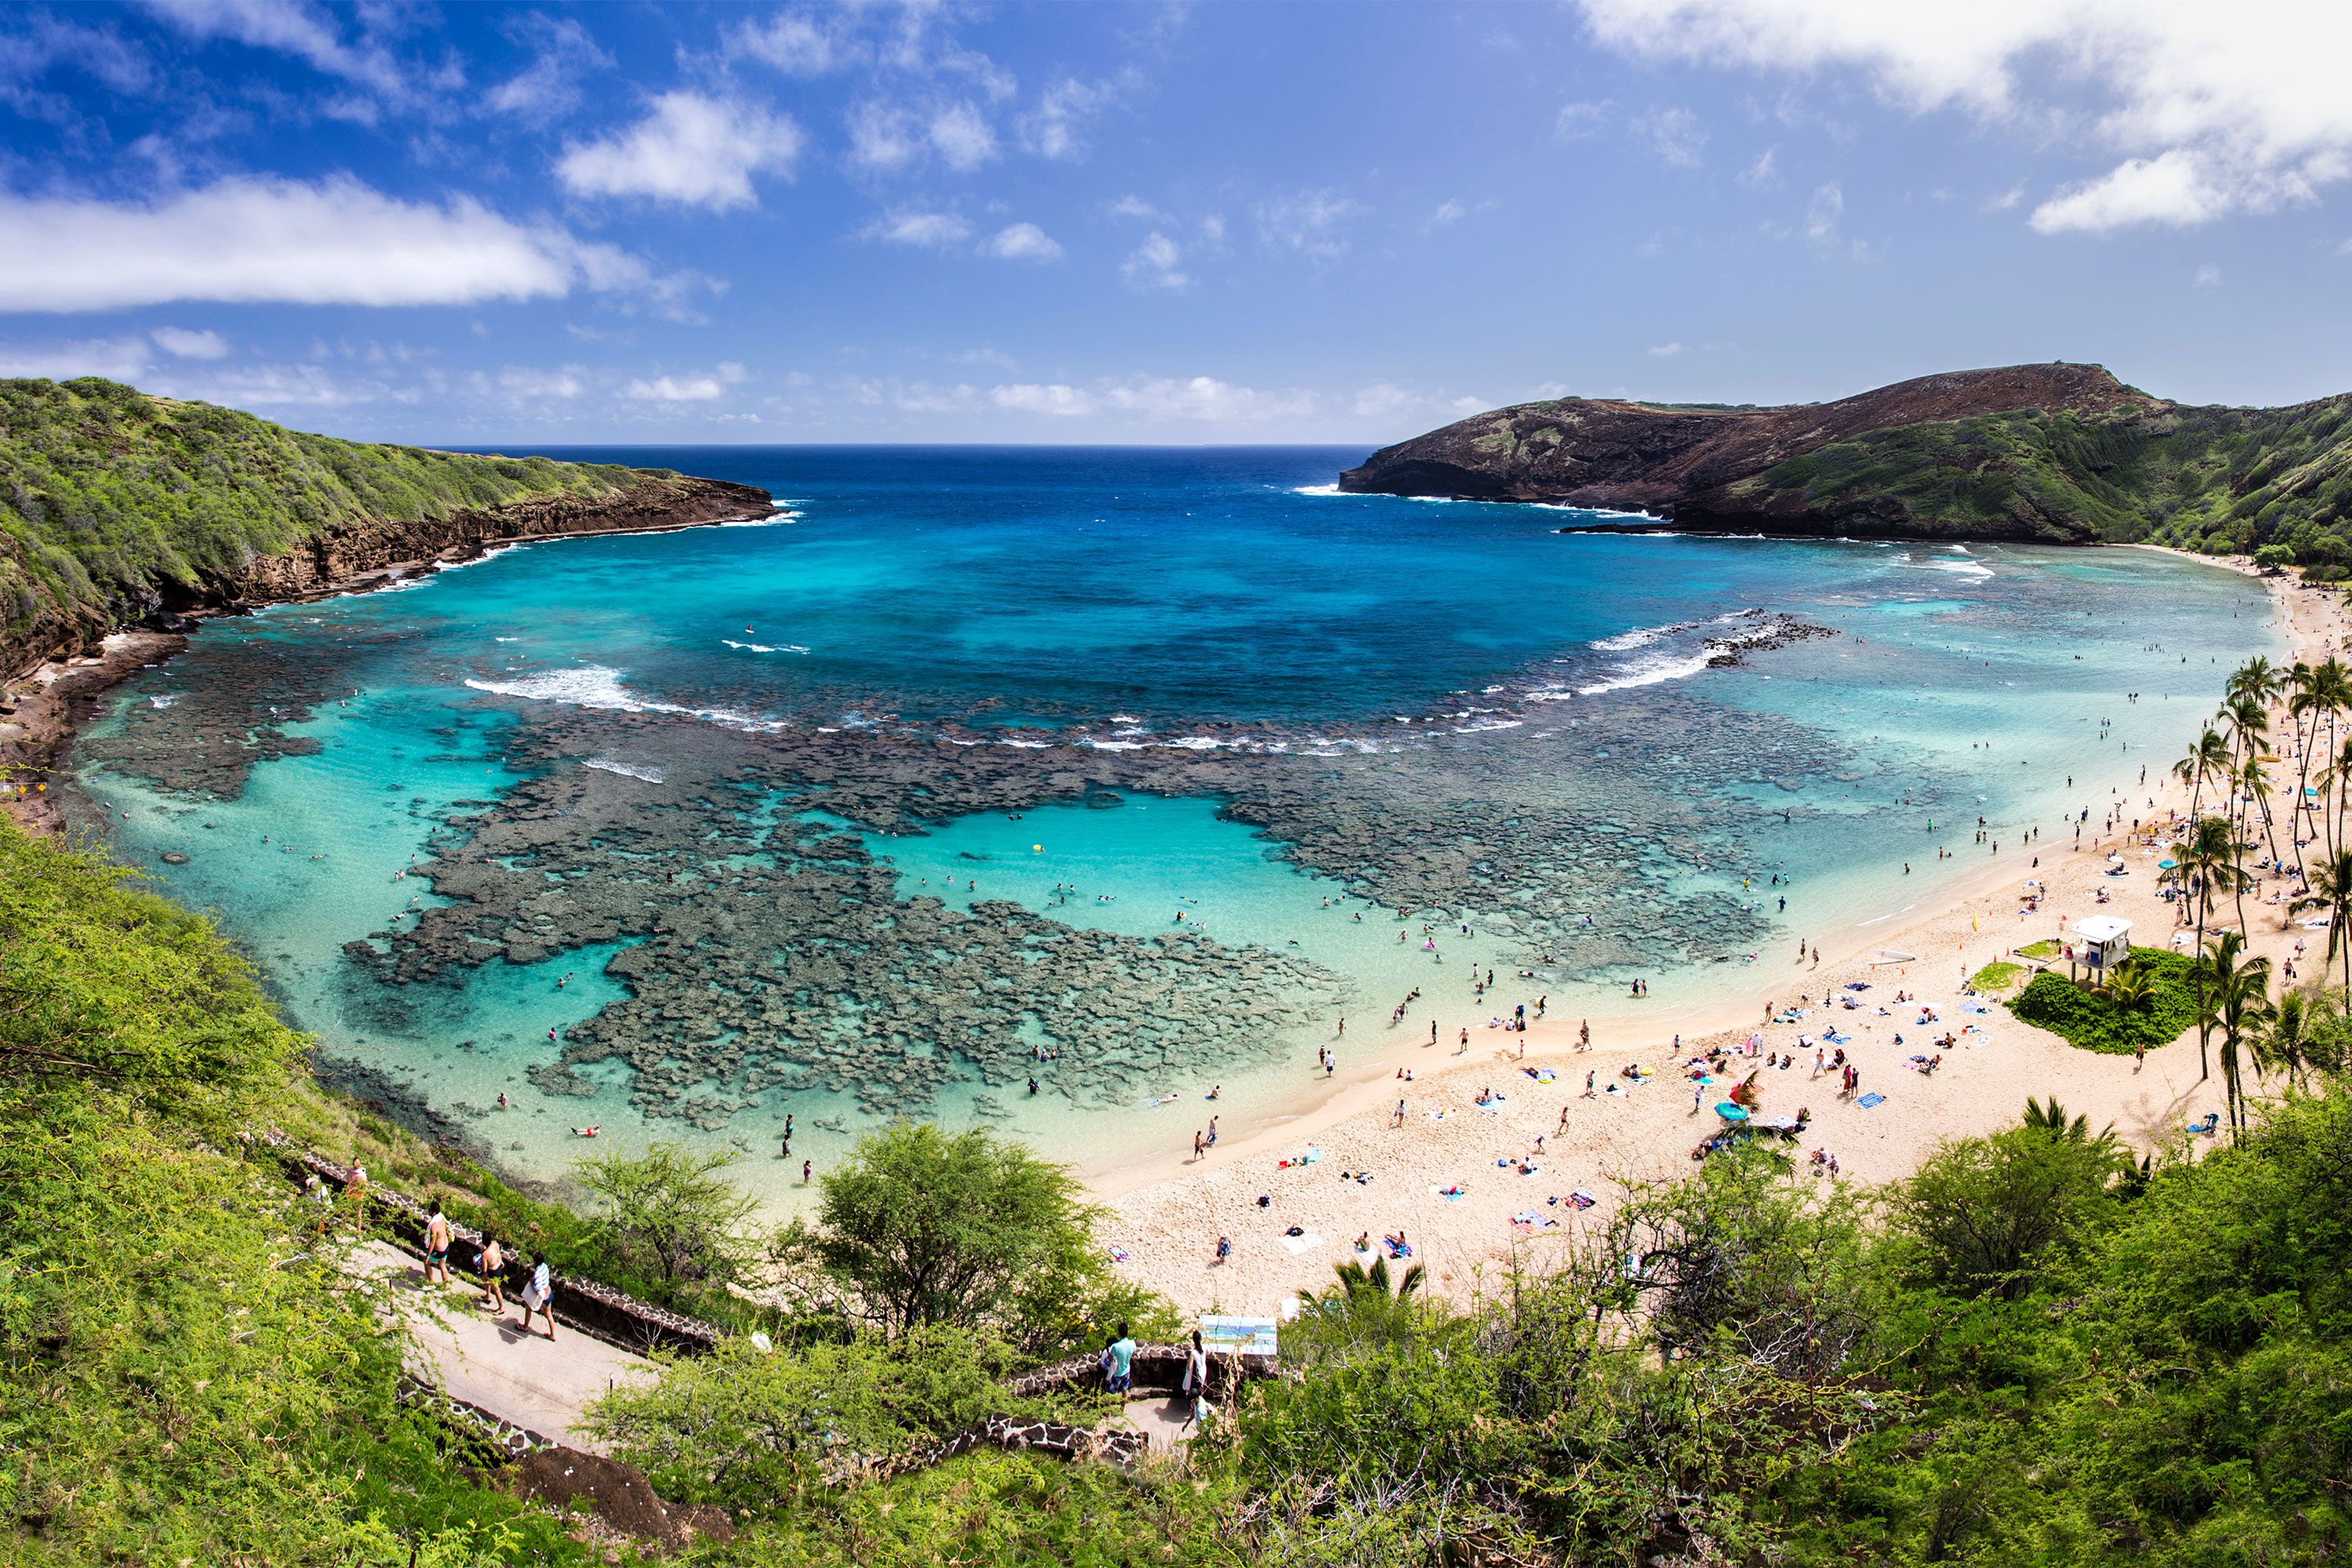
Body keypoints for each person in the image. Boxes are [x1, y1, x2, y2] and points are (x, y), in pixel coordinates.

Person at [519, 1258, 556, 1339]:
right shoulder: (545, 1267)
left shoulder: (538, 1273)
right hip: (549, 1293)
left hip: (543, 1298)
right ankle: (553, 1335)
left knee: (528, 1309)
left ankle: (525, 1327)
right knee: (549, 1316)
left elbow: (537, 1289)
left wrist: (532, 1284)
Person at [422, 1207, 453, 1287]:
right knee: (443, 1266)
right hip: (446, 1247)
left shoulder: (434, 1226)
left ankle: (431, 1283)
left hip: (439, 1251)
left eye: (430, 1210)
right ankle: (445, 1287)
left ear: (434, 1213)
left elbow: (433, 1242)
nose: (429, 1211)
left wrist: (428, 1256)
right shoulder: (442, 1218)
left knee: (426, 1263)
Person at [1106, 1320, 1138, 1395]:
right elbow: (1133, 1354)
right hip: (1126, 1371)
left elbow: (1110, 1359)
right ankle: (1122, 1407)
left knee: (1110, 1392)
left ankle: (1109, 1406)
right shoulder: (1132, 1343)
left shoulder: (1115, 1346)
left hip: (1117, 1373)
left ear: (1119, 1333)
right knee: (1124, 1391)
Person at [478, 1234, 506, 1313]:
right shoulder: (495, 1244)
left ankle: (501, 1308)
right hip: (499, 1266)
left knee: (497, 1290)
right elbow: (498, 1253)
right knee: (486, 1280)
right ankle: (487, 1296)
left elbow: (484, 1269)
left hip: (493, 1272)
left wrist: (479, 1264)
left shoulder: (485, 1254)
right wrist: (501, 1261)